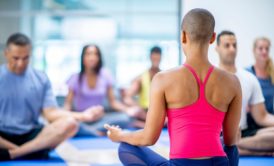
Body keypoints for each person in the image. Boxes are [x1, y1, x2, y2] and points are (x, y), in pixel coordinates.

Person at [105, 9, 241, 166]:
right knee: (232, 149)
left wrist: (120, 135)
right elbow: (231, 140)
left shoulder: (162, 79)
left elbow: (149, 138)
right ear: (212, 38)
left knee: (125, 148)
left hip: (180, 164)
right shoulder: (233, 82)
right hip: (218, 163)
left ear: (183, 36)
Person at [0, 33, 104, 161]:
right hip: (2, 135)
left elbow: (50, 113)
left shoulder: (41, 78)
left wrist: (83, 116)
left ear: (30, 54)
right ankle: (29, 151)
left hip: (31, 135)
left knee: (70, 124)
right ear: (6, 54)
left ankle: (14, 153)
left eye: (25, 58)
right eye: (15, 58)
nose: (21, 63)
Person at [216, 30, 274, 156]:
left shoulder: (249, 78)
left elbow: (262, 116)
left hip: (244, 132)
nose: (232, 49)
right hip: (217, 133)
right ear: (217, 48)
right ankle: (259, 151)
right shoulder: (210, 77)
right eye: (227, 45)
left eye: (234, 45)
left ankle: (234, 147)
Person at [64, 44, 134, 136]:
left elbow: (113, 102)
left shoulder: (105, 75)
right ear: (83, 58)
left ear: (99, 58)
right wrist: (63, 116)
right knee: (69, 122)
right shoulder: (75, 78)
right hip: (82, 119)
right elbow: (67, 105)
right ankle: (95, 132)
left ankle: (90, 132)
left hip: (100, 119)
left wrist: (128, 110)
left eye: (95, 54)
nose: (92, 57)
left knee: (125, 118)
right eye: (88, 54)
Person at [122, 46, 162, 127]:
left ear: (161, 58)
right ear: (150, 57)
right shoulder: (141, 78)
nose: (156, 60)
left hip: (160, 113)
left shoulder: (165, 77)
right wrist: (137, 107)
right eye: (154, 58)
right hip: (145, 113)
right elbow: (127, 97)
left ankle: (150, 125)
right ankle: (149, 124)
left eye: (157, 58)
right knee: (134, 113)